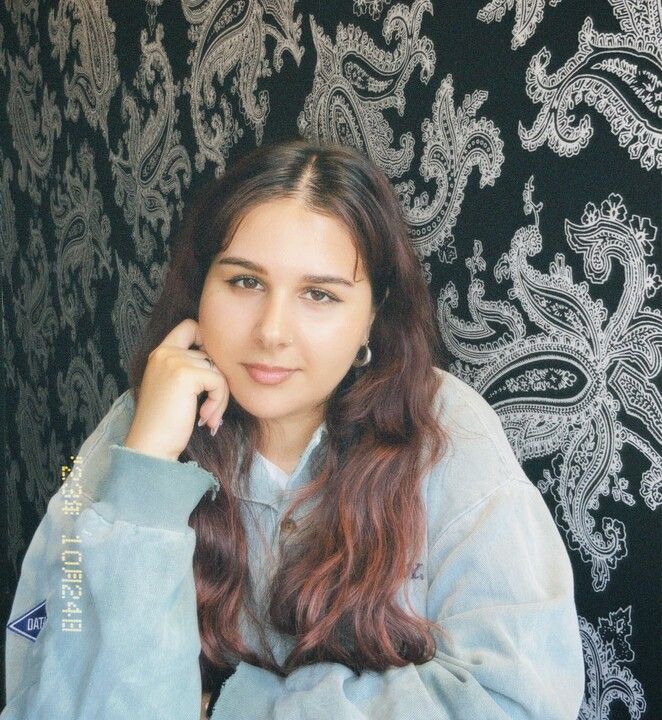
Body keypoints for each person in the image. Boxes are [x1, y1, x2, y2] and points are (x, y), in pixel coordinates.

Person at [2, 139, 585, 719]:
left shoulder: (444, 431)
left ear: (372, 314)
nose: (272, 331)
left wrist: (234, 708)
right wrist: (148, 467)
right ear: (201, 286)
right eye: (245, 282)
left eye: (319, 294)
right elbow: (51, 690)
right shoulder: (140, 423)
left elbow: (516, 699)